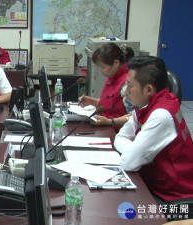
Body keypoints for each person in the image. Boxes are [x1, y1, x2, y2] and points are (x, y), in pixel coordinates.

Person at [114, 56, 193, 203]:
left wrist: (133, 153)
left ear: (148, 89)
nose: (126, 91)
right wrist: (133, 150)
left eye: (130, 85)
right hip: (152, 184)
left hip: (173, 198)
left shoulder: (161, 115)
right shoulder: (147, 105)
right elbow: (121, 137)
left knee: (119, 209)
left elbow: (128, 163)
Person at [79, 43, 134, 130]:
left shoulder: (127, 83)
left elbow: (134, 116)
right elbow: (112, 104)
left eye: (103, 67)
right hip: (106, 127)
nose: (101, 71)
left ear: (116, 63)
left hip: (119, 132)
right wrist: (92, 101)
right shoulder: (112, 77)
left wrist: (110, 121)